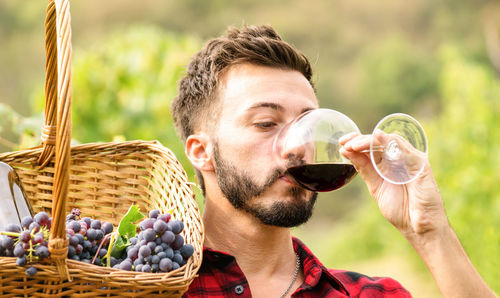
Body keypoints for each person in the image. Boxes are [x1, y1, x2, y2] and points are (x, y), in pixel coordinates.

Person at [171, 25, 496, 297]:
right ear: (202, 151)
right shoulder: (139, 284)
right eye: (266, 123)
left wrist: (429, 233)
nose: (295, 148)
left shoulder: (370, 295)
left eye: (306, 125)